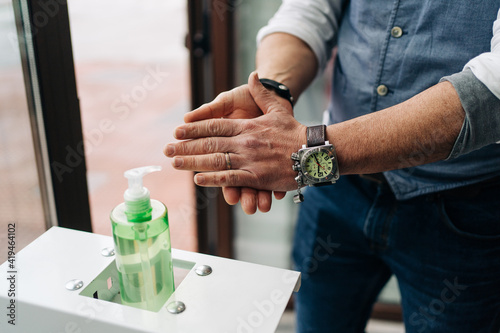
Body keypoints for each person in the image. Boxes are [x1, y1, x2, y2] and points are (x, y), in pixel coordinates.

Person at [165, 0, 500, 332]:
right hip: (336, 193)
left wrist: (304, 151)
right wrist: (271, 93)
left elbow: (492, 90)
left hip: (464, 208)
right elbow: (309, 8)